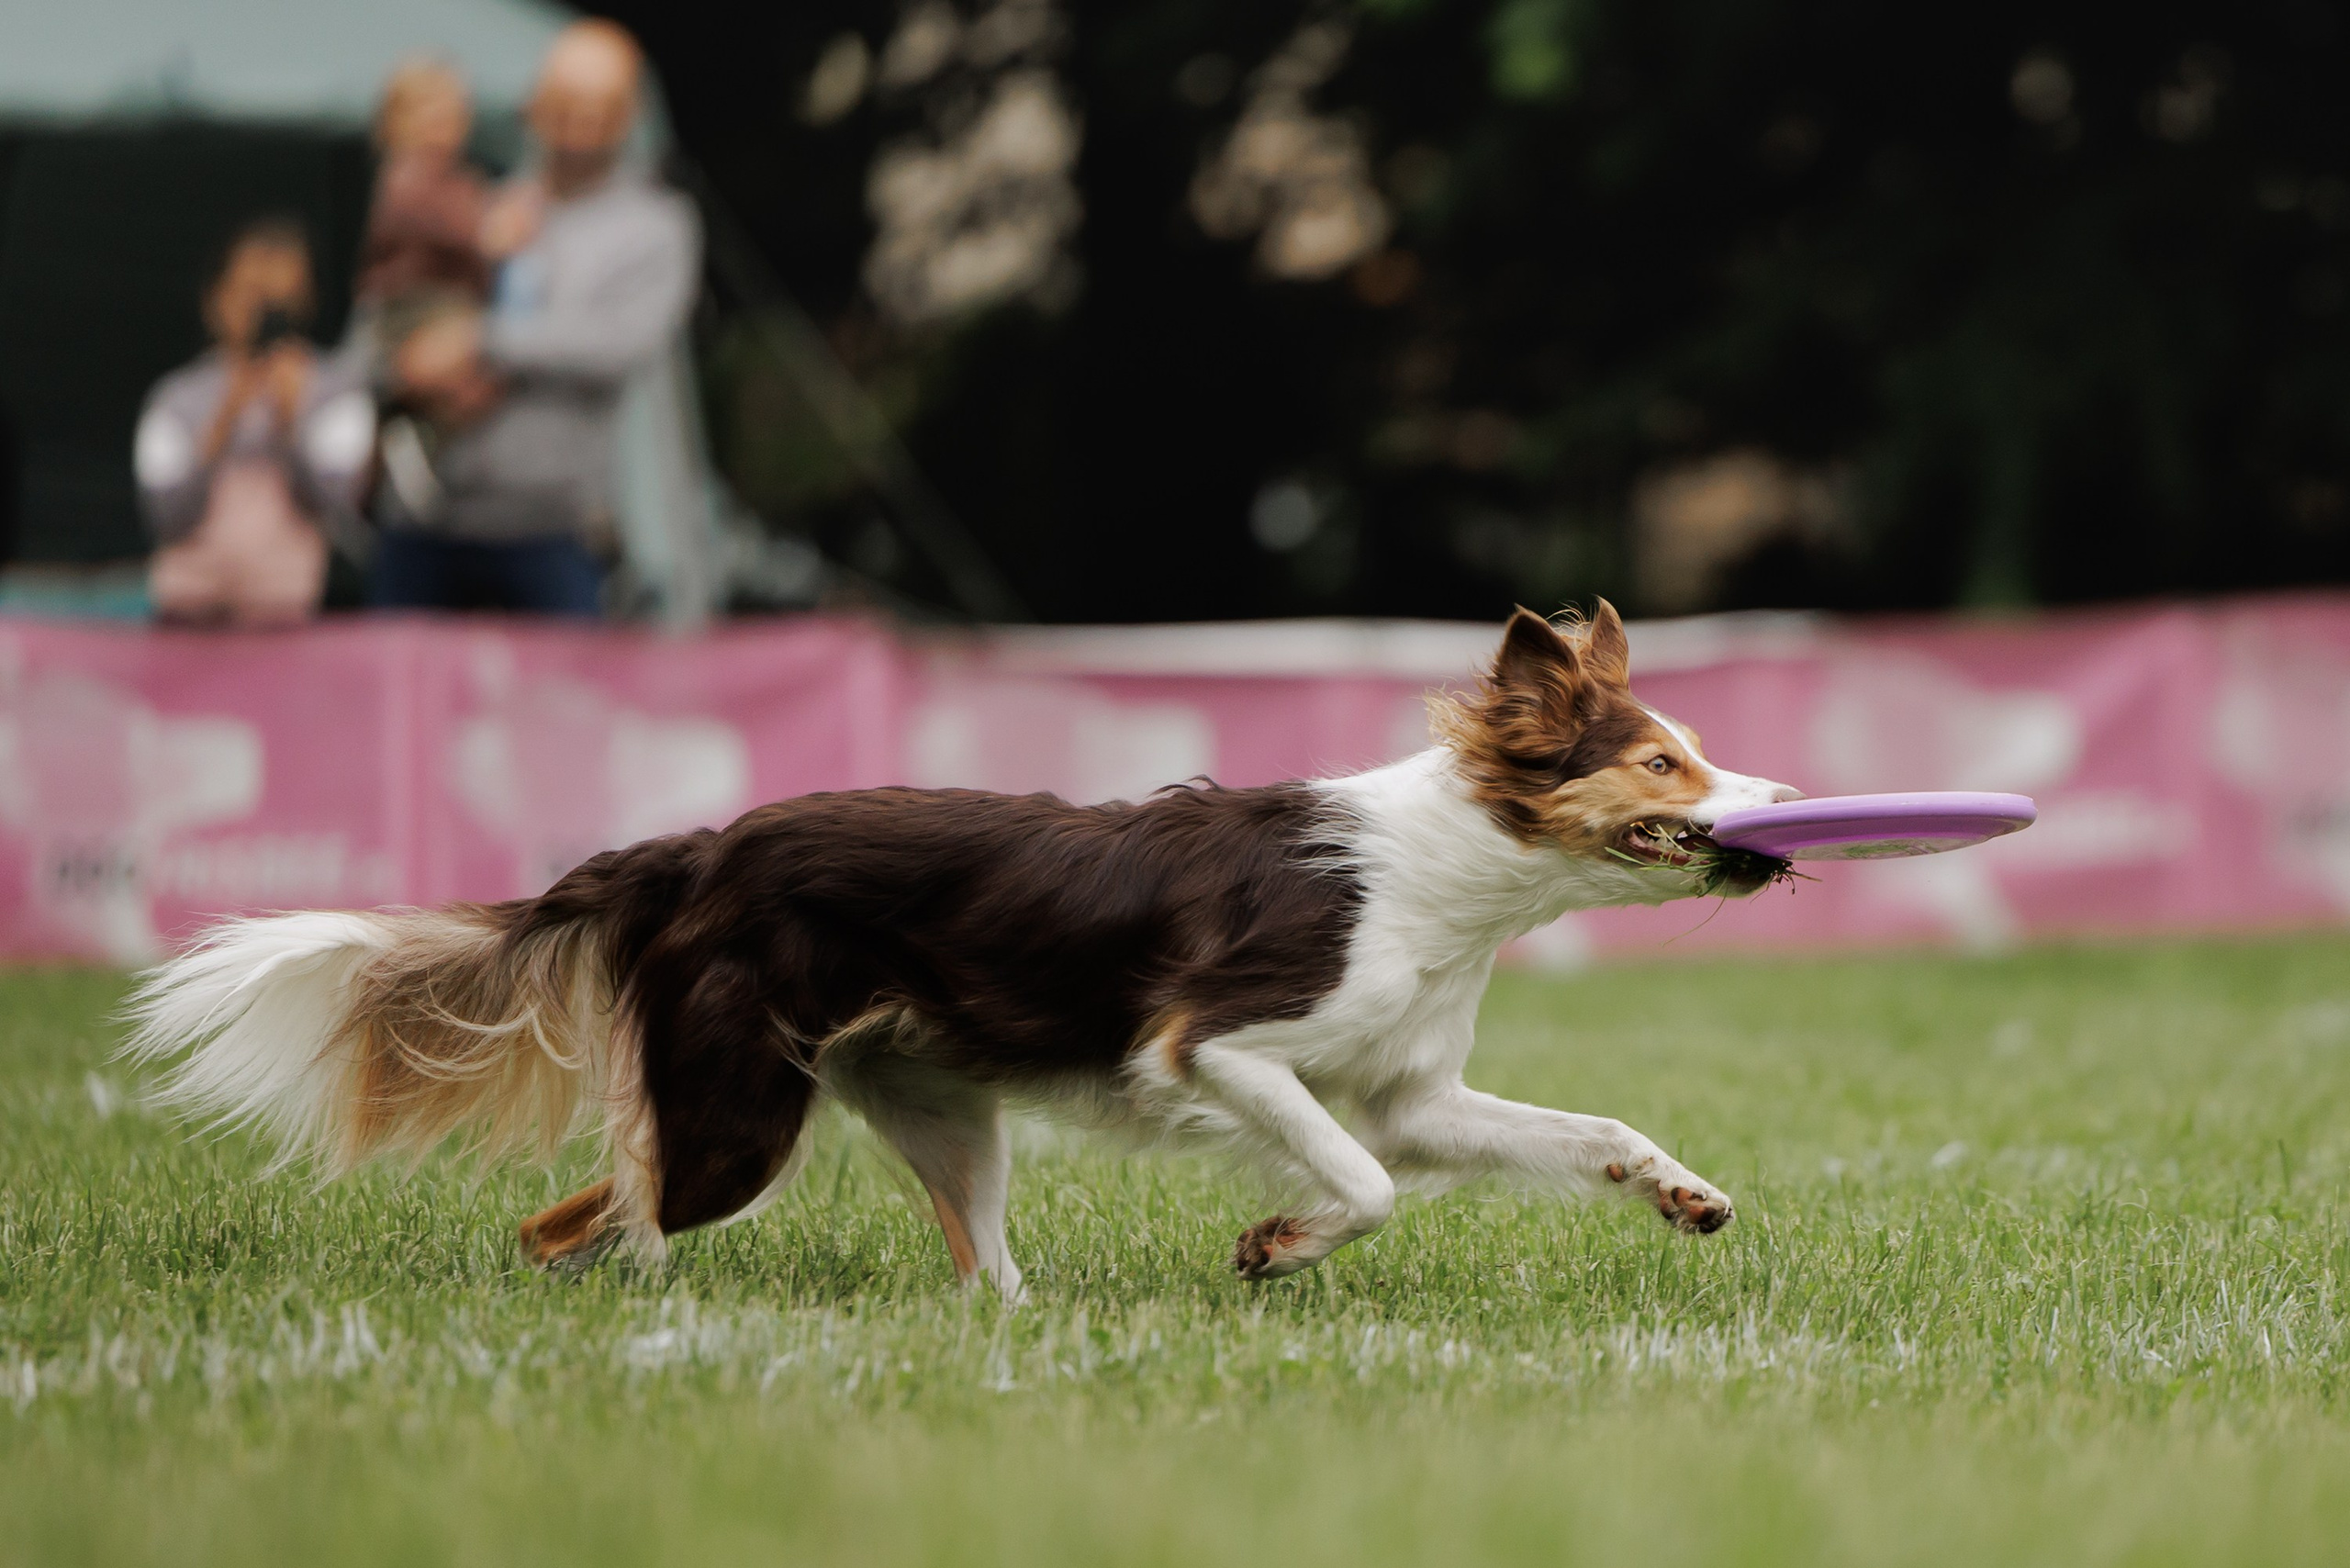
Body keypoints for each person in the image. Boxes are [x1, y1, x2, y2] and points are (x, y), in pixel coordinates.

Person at [370, 20, 700, 616]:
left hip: (549, 534)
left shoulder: (655, 226)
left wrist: (481, 342)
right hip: (422, 524)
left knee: (557, 707)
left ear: (629, 114)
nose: (577, 124)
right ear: (535, 102)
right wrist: (404, 364)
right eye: (565, 103)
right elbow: (382, 313)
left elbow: (618, 344)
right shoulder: (480, 203)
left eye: (597, 108)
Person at [133, 218, 375, 627]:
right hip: (190, 615)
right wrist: (222, 422)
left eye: (280, 301)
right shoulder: (176, 398)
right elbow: (165, 515)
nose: (262, 317)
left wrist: (290, 422)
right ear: (216, 299)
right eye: (251, 295)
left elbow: (338, 506)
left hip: (292, 614)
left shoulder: (336, 393)